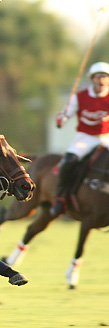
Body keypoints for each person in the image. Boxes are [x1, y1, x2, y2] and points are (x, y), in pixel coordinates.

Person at [51, 61, 109, 217]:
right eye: (98, 77)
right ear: (93, 79)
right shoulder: (80, 97)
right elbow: (66, 114)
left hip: (105, 138)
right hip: (85, 138)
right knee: (69, 161)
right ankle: (61, 198)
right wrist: (61, 119)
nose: (102, 80)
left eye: (105, 77)